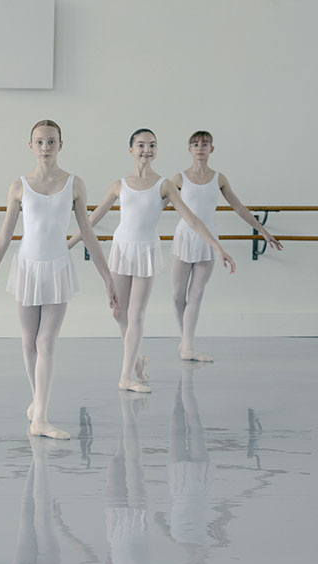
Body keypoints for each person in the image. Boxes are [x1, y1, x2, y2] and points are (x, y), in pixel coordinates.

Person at [0, 120, 117, 439]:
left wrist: (107, 278)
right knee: (29, 341)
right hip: (27, 267)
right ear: (31, 146)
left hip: (57, 267)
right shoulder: (19, 186)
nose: (45, 148)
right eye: (40, 142)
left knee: (46, 341)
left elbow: (88, 233)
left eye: (51, 142)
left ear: (60, 145)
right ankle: (38, 404)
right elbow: (3, 238)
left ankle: (41, 418)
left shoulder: (74, 184)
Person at [68, 129, 235, 393]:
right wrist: (69, 243)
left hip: (145, 252)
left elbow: (191, 218)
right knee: (118, 312)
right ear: (131, 150)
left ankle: (126, 377)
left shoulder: (165, 185)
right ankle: (137, 360)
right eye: (141, 145)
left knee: (136, 315)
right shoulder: (118, 185)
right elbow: (91, 221)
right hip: (122, 250)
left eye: (152, 145)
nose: (147, 149)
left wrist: (217, 246)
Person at [171, 130, 283, 361]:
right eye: (195, 144)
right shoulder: (179, 178)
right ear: (189, 149)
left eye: (204, 143)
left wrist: (263, 231)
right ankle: (184, 342)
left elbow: (239, 207)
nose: (200, 147)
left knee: (196, 293)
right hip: (184, 236)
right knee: (176, 295)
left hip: (208, 238)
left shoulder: (219, 178)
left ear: (212, 149)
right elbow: (159, 202)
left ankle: (188, 347)